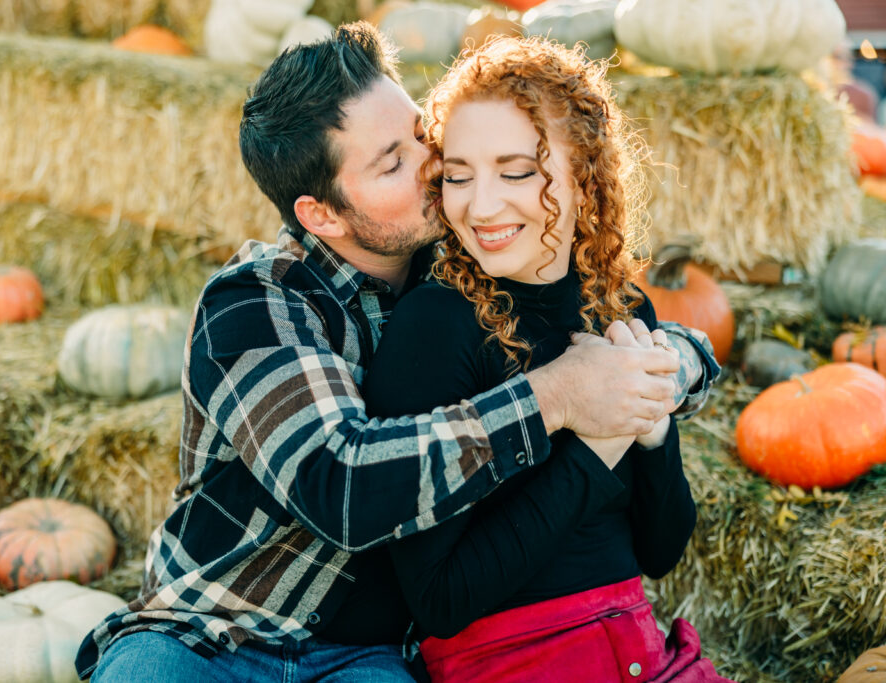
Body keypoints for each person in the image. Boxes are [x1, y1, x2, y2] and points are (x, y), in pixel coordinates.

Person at [75, 23, 720, 682]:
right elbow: (344, 484)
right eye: (392, 163)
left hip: (368, 654)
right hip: (215, 629)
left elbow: (598, 325)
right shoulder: (257, 301)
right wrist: (558, 397)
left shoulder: (465, 261)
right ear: (323, 214)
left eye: (421, 135)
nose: (436, 166)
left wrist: (673, 361)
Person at [363, 35, 731, 682]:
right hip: (512, 662)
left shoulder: (624, 311)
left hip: (639, 645)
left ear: (585, 178)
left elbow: (660, 550)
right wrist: (597, 446)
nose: (480, 205)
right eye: (457, 174)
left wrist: (652, 431)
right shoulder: (437, 325)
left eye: (515, 171)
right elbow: (439, 599)